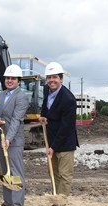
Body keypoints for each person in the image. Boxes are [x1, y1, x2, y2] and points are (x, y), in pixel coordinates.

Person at [0, 64, 29, 206]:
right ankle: (8, 201)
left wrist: (9, 138)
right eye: (8, 78)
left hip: (13, 140)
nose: (10, 80)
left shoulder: (21, 97)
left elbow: (16, 120)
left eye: (13, 78)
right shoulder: (1, 95)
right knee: (5, 170)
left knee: (15, 170)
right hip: (1, 138)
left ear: (18, 80)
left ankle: (17, 203)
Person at [39, 62, 79, 197]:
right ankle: (55, 197)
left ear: (61, 79)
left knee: (64, 174)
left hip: (65, 143)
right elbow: (46, 104)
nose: (51, 80)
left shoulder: (68, 99)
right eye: (49, 77)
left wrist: (53, 147)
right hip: (51, 139)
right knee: (53, 172)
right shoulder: (47, 90)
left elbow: (66, 127)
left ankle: (62, 201)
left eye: (54, 77)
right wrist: (43, 115)